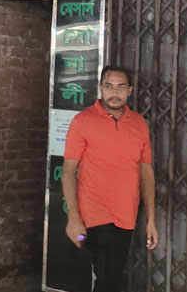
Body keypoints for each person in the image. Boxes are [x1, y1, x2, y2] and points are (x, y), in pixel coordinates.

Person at [62, 65, 159, 292]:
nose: (114, 93)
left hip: (126, 215)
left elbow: (146, 173)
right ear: (100, 88)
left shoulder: (139, 124)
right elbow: (68, 173)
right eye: (109, 86)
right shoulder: (83, 121)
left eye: (121, 87)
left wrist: (151, 220)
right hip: (94, 215)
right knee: (107, 278)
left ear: (130, 91)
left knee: (111, 277)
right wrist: (73, 219)